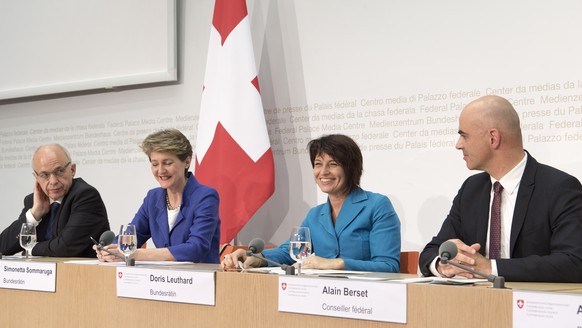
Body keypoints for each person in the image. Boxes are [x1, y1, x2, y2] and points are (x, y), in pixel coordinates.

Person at [419, 95, 582, 282]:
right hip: (476, 305)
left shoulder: (559, 187)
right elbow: (430, 252)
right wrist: (443, 265)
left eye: (464, 135)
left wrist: (491, 267)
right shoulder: (471, 190)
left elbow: (573, 262)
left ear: (493, 138)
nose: (458, 145)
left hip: (534, 307)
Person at [222, 134, 401, 272]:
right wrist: (253, 256)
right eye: (318, 164)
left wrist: (336, 264)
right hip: (321, 295)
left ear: (350, 168)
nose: (323, 172)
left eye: (332, 164)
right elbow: (289, 252)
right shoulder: (315, 215)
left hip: (366, 298)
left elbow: (388, 265)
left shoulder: (377, 206)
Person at [95, 129, 220, 263]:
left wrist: (135, 254)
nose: (160, 171)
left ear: (187, 162)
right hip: (161, 278)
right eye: (155, 164)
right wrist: (110, 250)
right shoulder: (153, 197)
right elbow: (132, 236)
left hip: (199, 278)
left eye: (167, 163)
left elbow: (196, 248)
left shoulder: (205, 197)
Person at [0, 144, 110, 257]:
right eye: (44, 175)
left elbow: (65, 247)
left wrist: (30, 248)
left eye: (59, 171)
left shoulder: (85, 196)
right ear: (36, 177)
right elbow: (3, 247)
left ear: (72, 170)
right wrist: (34, 215)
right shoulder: (33, 201)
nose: (53, 181)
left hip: (80, 273)